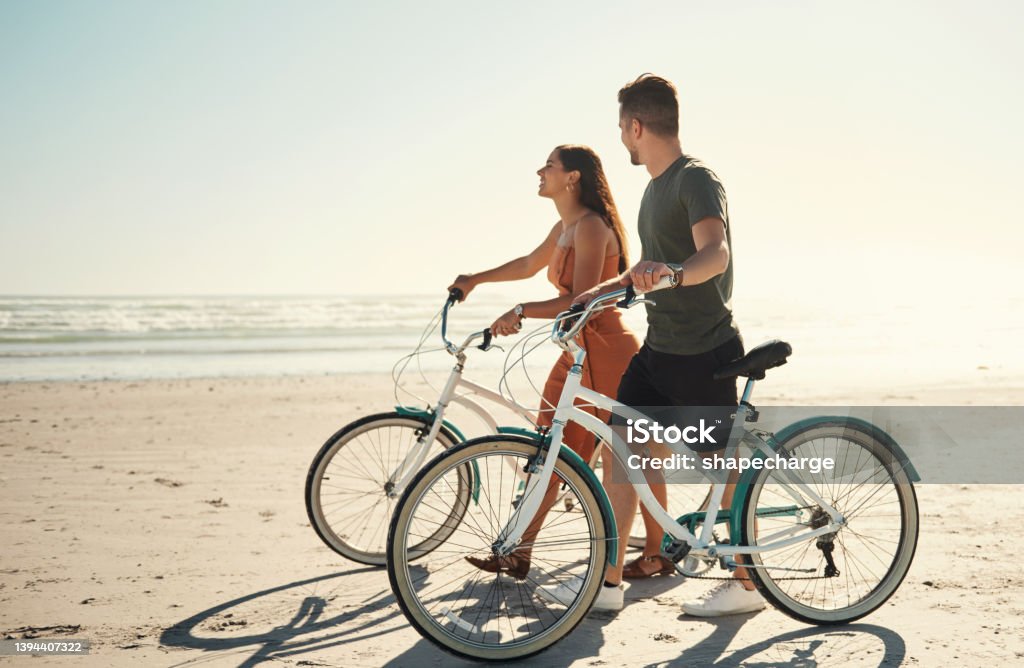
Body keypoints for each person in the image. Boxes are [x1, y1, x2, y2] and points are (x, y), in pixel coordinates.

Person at [544, 74, 765, 617]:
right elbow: (641, 277)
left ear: (636, 125)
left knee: (725, 468)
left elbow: (715, 254)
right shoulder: (652, 190)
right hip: (659, 350)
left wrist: (670, 272)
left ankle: (747, 584)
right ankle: (609, 581)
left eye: (622, 128)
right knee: (622, 454)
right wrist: (586, 300)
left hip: (701, 351)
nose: (622, 138)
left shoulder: (695, 180)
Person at [448, 144, 657, 611]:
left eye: (549, 166)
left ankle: (655, 550)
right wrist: (475, 278)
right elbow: (528, 264)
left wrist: (521, 310)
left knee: (620, 457)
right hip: (577, 349)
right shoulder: (565, 227)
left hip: (605, 350)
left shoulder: (593, 228)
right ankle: (521, 549)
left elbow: (579, 300)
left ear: (573, 178)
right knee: (549, 446)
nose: (539, 171)